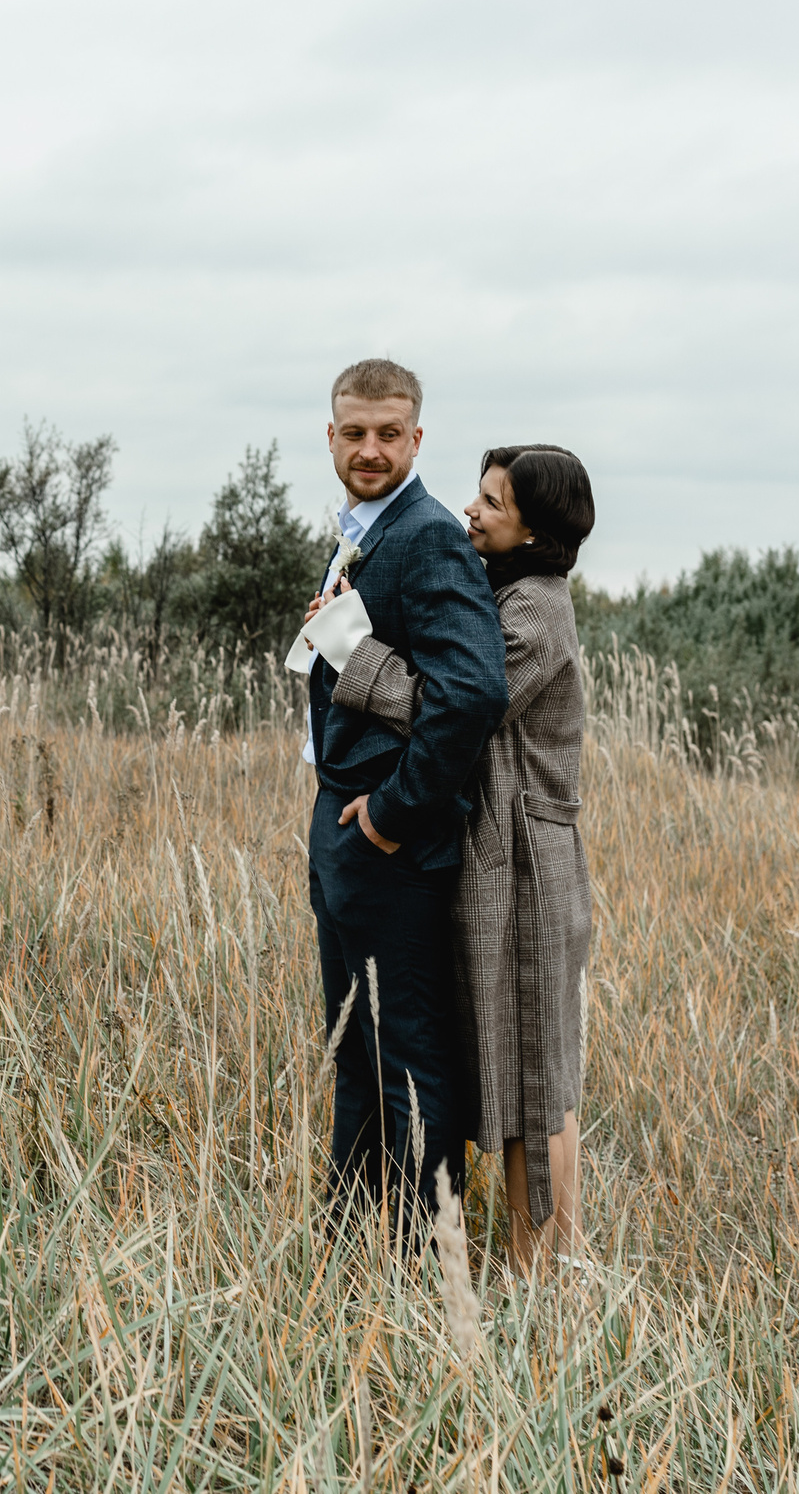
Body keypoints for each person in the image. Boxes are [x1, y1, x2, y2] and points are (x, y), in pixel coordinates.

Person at [330, 443, 598, 1274]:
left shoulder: (536, 612)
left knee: (536, 1081)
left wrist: (355, 653)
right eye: (478, 495)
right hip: (505, 859)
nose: (471, 512)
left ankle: (542, 1273)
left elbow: (458, 704)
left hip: (528, 868)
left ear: (535, 530)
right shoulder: (506, 592)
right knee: (520, 1072)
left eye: (493, 503)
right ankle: (538, 1263)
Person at [299, 359, 508, 1231]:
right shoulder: (363, 529)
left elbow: (474, 692)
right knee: (356, 1049)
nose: (371, 449)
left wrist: (390, 813)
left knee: (408, 1061)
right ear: (332, 436)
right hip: (343, 835)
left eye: (389, 434)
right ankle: (353, 1245)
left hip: (391, 841)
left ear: (417, 438)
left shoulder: (426, 535)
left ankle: (429, 1260)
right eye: (355, 433)